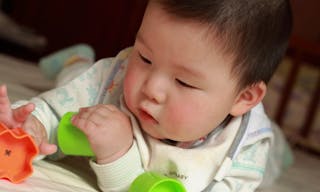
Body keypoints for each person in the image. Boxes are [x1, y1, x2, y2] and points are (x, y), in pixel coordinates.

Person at [0, 0, 292, 191]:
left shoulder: (241, 153)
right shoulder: (116, 77)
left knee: (278, 156)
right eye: (146, 58)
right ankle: (76, 61)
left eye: (183, 82)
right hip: (91, 76)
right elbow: (55, 112)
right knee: (77, 79)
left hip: (264, 143)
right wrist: (32, 127)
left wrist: (118, 156)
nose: (151, 88)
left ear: (244, 97)